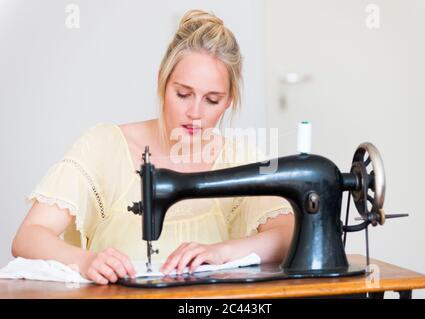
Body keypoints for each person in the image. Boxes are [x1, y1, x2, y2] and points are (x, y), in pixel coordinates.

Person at [11, 9, 294, 285]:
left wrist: (221, 252)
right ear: (162, 79)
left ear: (229, 100)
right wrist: (85, 261)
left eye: (212, 100)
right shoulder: (104, 147)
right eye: (183, 94)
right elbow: (29, 236)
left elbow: (287, 233)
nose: (195, 112)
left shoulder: (239, 157)